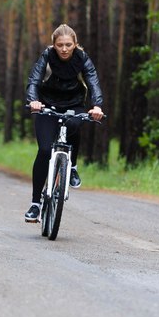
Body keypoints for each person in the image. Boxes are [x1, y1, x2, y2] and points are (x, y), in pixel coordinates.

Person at [24, 24, 105, 223]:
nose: (64, 49)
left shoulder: (82, 58)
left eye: (68, 45)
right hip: (47, 106)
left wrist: (96, 106)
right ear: (53, 45)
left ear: (75, 44)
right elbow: (34, 80)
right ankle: (35, 204)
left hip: (74, 104)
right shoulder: (47, 56)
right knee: (44, 150)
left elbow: (93, 81)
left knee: (76, 124)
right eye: (60, 45)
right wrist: (33, 100)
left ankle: (73, 166)